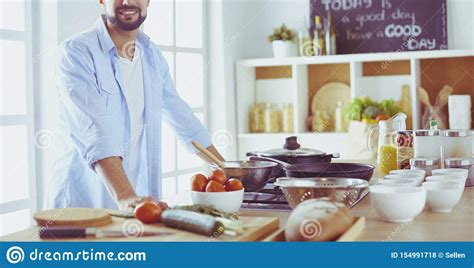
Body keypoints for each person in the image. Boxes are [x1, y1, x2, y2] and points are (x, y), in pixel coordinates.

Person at [45, 0, 224, 211]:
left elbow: (181, 117)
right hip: (82, 204)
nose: (128, 1)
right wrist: (125, 196)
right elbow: (95, 131)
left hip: (134, 203)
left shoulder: (151, 55)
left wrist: (226, 169)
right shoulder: (76, 52)